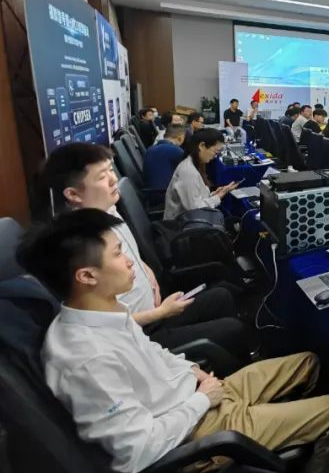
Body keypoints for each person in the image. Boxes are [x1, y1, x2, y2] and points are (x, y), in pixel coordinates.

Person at [17, 209, 329, 473]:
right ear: (87, 276)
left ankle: (283, 435)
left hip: (195, 395)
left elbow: (152, 351)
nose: (129, 261)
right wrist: (202, 400)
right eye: (118, 254)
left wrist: (192, 371)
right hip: (195, 432)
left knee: (308, 362)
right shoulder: (85, 360)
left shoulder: (104, 310)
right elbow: (136, 452)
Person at [41, 143, 249, 360]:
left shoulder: (108, 209)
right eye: (102, 176)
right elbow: (105, 327)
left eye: (111, 170)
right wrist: (161, 312)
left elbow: (132, 254)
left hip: (155, 307)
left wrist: (148, 273)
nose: (113, 180)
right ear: (73, 194)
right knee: (233, 329)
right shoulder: (80, 246)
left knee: (222, 296)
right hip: (140, 333)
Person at [164, 128, 239, 220]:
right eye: (215, 152)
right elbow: (195, 209)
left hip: (188, 220)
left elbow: (196, 198)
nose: (215, 156)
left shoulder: (193, 164)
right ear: (202, 146)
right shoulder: (188, 172)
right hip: (181, 225)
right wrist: (218, 196)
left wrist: (214, 194)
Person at [143, 124, 187, 192]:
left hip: (148, 192)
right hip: (164, 193)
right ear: (180, 138)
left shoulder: (149, 149)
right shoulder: (177, 151)